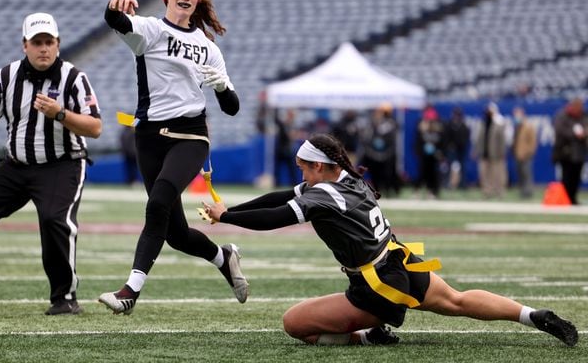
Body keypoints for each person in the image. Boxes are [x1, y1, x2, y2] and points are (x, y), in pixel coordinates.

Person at [202, 133, 578, 347]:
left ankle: (368, 337)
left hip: (376, 284)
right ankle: (532, 315)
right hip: (400, 257)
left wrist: (229, 217)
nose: (300, 171)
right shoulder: (348, 179)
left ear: (318, 166)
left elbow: (277, 216)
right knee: (458, 300)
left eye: (303, 166)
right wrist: (231, 209)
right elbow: (281, 197)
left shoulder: (323, 194)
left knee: (295, 324)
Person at [99, 0, 248, 315]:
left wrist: (223, 87)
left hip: (190, 135)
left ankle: (130, 291)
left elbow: (232, 107)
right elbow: (115, 20)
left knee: (158, 203)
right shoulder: (150, 29)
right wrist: (114, 3)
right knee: (176, 234)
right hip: (149, 136)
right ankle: (223, 257)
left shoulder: (207, 48)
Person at [0, 12, 102, 315]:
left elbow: (95, 128)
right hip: (17, 163)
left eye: (49, 42)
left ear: (58, 44)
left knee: (54, 219)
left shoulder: (74, 78)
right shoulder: (6, 77)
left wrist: (60, 114)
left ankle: (64, 296)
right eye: (37, 42)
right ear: (24, 45)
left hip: (62, 164)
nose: (43, 49)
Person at [552, 98, 588, 205]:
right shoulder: (562, 116)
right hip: (566, 153)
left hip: (579, 153)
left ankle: (573, 198)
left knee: (576, 178)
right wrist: (574, 134)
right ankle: (565, 198)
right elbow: (559, 130)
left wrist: (585, 133)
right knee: (566, 177)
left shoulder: (583, 116)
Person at [361, 103, 399, 196]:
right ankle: (377, 189)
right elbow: (366, 139)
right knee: (375, 173)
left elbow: (391, 138)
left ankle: (388, 190)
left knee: (387, 173)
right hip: (374, 154)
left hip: (386, 154)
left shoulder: (391, 124)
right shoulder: (371, 124)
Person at [473, 102, 507, 198]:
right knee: (484, 174)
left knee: (498, 174)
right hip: (484, 153)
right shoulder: (483, 123)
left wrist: (502, 152)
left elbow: (502, 140)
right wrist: (476, 150)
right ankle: (487, 191)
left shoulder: (499, 123)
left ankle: (499, 191)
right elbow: (479, 138)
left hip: (496, 153)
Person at [414, 106, 444, 198]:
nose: (430, 123)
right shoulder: (421, 128)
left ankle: (431, 192)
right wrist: (420, 151)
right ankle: (417, 191)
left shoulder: (438, 129)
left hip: (433, 156)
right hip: (424, 156)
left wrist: (439, 152)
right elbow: (417, 142)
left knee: (433, 175)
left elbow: (442, 143)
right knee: (422, 173)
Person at [512, 106, 537, 199]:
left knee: (527, 174)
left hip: (526, 155)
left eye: (518, 114)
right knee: (520, 174)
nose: (516, 117)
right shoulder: (517, 127)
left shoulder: (528, 126)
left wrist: (529, 152)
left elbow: (533, 141)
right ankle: (522, 191)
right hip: (517, 154)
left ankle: (528, 192)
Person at [442, 106, 470, 190]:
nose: (457, 117)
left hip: (461, 149)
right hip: (452, 149)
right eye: (455, 114)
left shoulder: (463, 125)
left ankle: (462, 184)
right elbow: (446, 137)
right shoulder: (449, 124)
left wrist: (461, 145)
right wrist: (449, 146)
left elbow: (466, 137)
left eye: (458, 115)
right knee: (449, 167)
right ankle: (448, 183)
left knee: (462, 167)